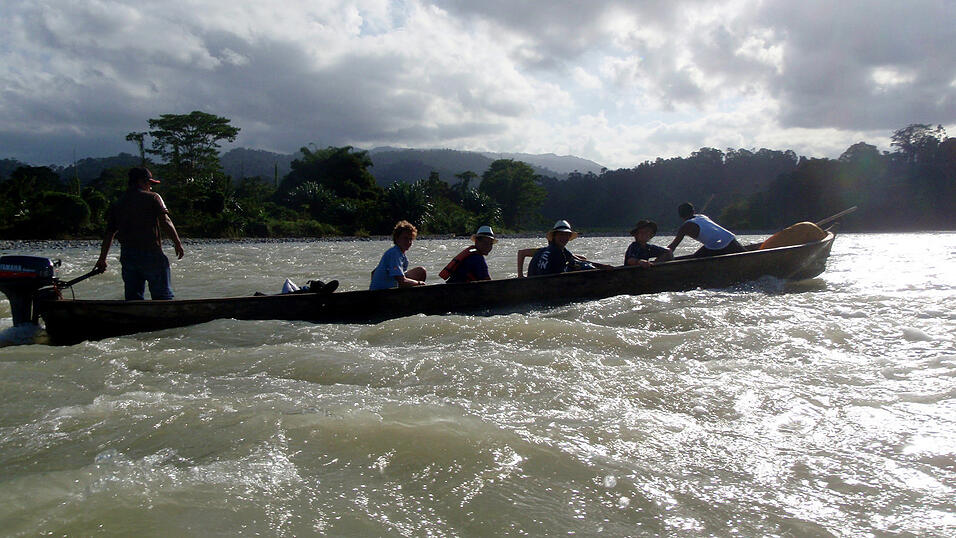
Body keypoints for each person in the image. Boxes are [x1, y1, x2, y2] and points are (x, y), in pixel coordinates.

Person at [94, 167, 185, 300]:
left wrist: (102, 259)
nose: (150, 187)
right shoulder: (153, 197)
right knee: (162, 297)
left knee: (133, 298)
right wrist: (177, 243)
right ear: (141, 182)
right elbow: (165, 221)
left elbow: (109, 233)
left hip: (128, 256)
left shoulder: (118, 203)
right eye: (149, 183)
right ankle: (164, 311)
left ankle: (135, 311)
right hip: (151, 253)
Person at [526, 220, 613, 276]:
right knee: (581, 267)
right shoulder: (556, 252)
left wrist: (602, 266)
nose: (564, 238)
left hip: (535, 279)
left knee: (581, 263)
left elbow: (576, 259)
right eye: (561, 235)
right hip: (546, 282)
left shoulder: (543, 250)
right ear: (554, 236)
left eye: (566, 235)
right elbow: (562, 275)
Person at [666, 202, 745, 258]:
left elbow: (673, 246)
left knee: (694, 260)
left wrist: (662, 256)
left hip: (718, 246)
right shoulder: (702, 216)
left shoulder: (685, 227)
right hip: (731, 239)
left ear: (680, 215)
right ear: (693, 211)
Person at [369, 220, 427, 290]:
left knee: (421, 271)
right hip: (383, 292)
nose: (408, 242)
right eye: (405, 238)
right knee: (420, 280)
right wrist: (419, 283)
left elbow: (373, 273)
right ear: (397, 238)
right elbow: (402, 281)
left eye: (410, 239)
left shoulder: (399, 253)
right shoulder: (394, 253)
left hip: (390, 286)